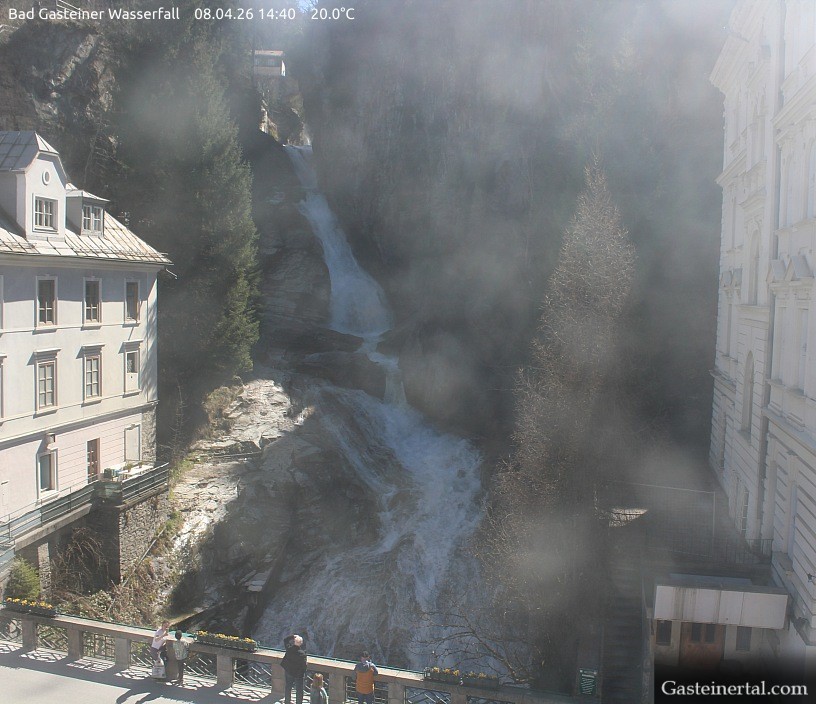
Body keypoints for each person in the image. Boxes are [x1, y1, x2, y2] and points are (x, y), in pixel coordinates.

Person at [281, 634, 307, 704]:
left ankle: (287, 701)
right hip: (298, 674)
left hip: (289, 672)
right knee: (299, 690)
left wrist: (293, 636)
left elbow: (285, 640)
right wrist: (303, 673)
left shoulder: (289, 649)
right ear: (301, 643)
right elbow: (304, 666)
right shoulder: (302, 654)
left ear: (294, 642)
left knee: (288, 687)